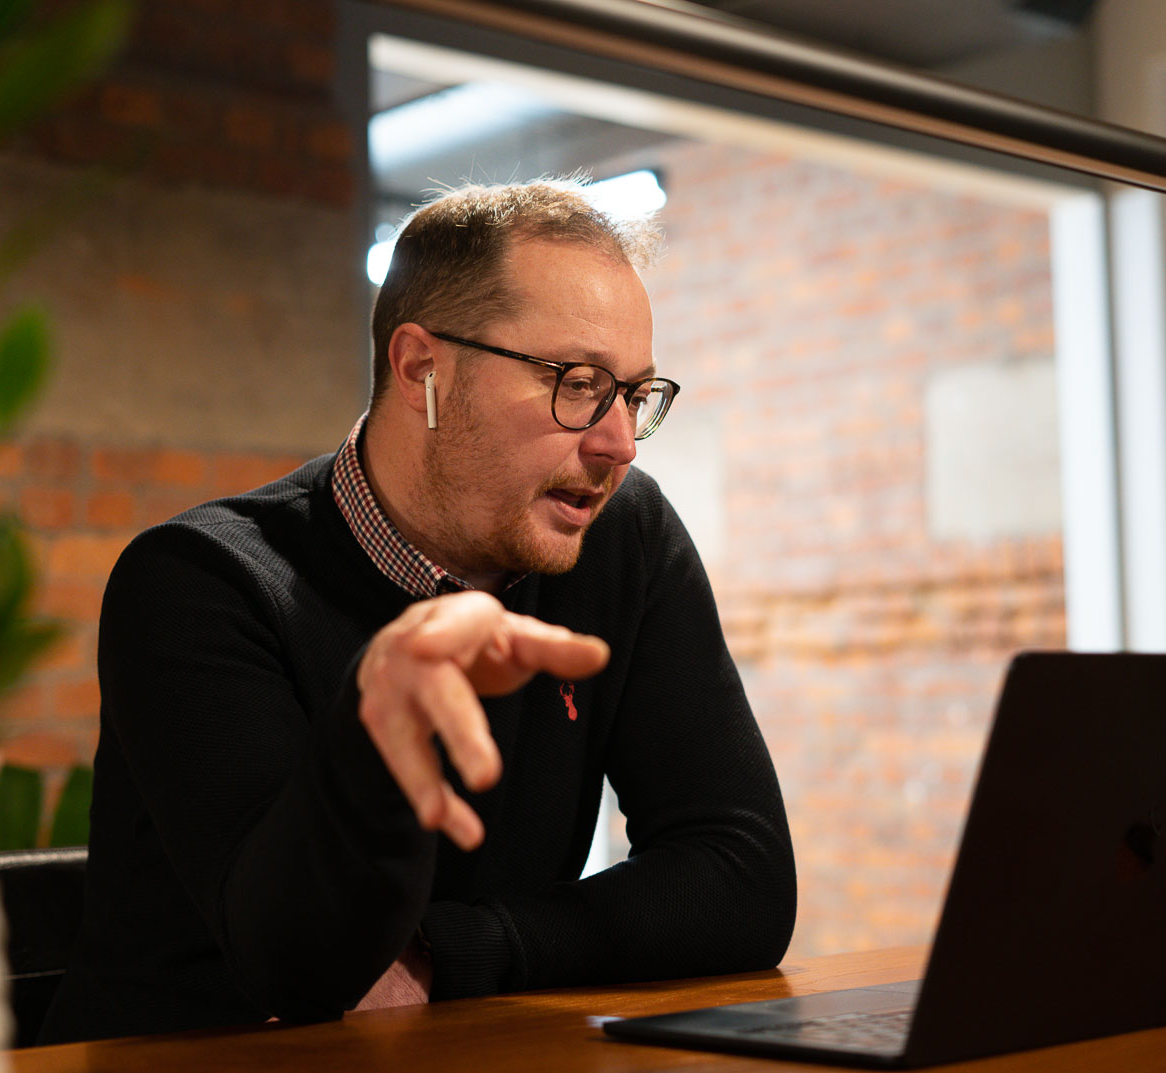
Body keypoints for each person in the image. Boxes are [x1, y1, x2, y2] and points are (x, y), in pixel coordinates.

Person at [39, 180, 796, 1044]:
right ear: (420, 368)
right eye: (578, 383)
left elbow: (743, 878)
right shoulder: (201, 584)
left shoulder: (623, 538)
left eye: (635, 393)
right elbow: (295, 964)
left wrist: (459, 951)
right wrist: (375, 723)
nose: (618, 442)